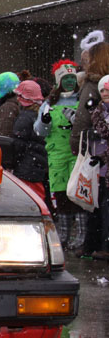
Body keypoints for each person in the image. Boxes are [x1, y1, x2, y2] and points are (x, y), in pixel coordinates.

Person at [34, 59, 86, 252]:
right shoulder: (49, 103)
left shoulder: (82, 100)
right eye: (66, 78)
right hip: (56, 155)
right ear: (59, 81)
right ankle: (63, 236)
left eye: (73, 78)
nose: (70, 82)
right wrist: (45, 121)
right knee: (62, 195)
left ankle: (81, 236)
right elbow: (40, 131)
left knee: (79, 195)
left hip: (78, 154)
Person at [70, 39, 109, 259]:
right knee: (99, 198)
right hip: (100, 148)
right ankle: (96, 243)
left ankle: (96, 244)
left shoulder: (91, 85)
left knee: (96, 199)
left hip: (95, 148)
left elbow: (83, 120)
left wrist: (76, 144)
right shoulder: (98, 84)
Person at [8, 80, 48, 202]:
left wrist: (12, 162)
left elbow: (18, 143)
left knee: (28, 200)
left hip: (27, 167)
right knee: (38, 198)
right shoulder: (41, 114)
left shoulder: (24, 117)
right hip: (39, 165)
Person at [86, 74, 109, 261]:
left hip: (104, 162)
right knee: (98, 207)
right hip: (99, 167)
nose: (104, 93)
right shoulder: (97, 111)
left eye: (107, 90)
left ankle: (104, 245)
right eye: (102, 90)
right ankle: (94, 244)